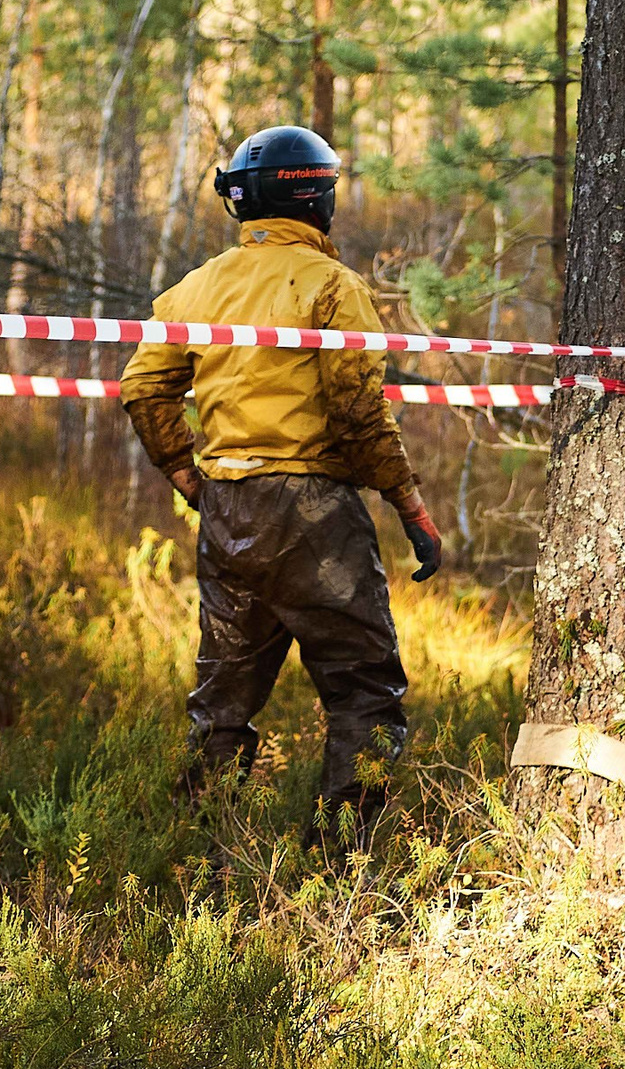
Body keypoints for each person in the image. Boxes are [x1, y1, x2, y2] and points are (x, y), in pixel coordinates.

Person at [119, 124, 444, 844]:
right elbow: (359, 412)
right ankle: (340, 865)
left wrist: (188, 476)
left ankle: (194, 856)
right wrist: (410, 506)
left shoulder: (197, 287)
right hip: (314, 514)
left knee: (221, 703)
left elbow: (143, 387)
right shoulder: (333, 286)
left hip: (228, 510)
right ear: (316, 198)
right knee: (365, 693)